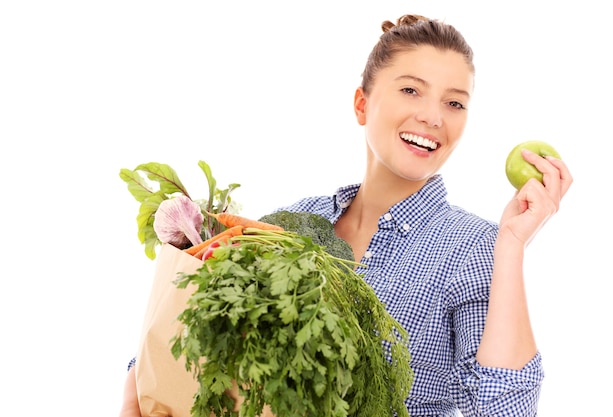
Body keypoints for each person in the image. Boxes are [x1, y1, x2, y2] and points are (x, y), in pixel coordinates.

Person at [119, 14, 572, 417]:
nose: (434, 117)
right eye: (411, 90)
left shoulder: (476, 249)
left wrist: (511, 245)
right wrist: (134, 393)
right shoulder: (293, 221)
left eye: (455, 103)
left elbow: (502, 409)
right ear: (362, 104)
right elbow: (195, 332)